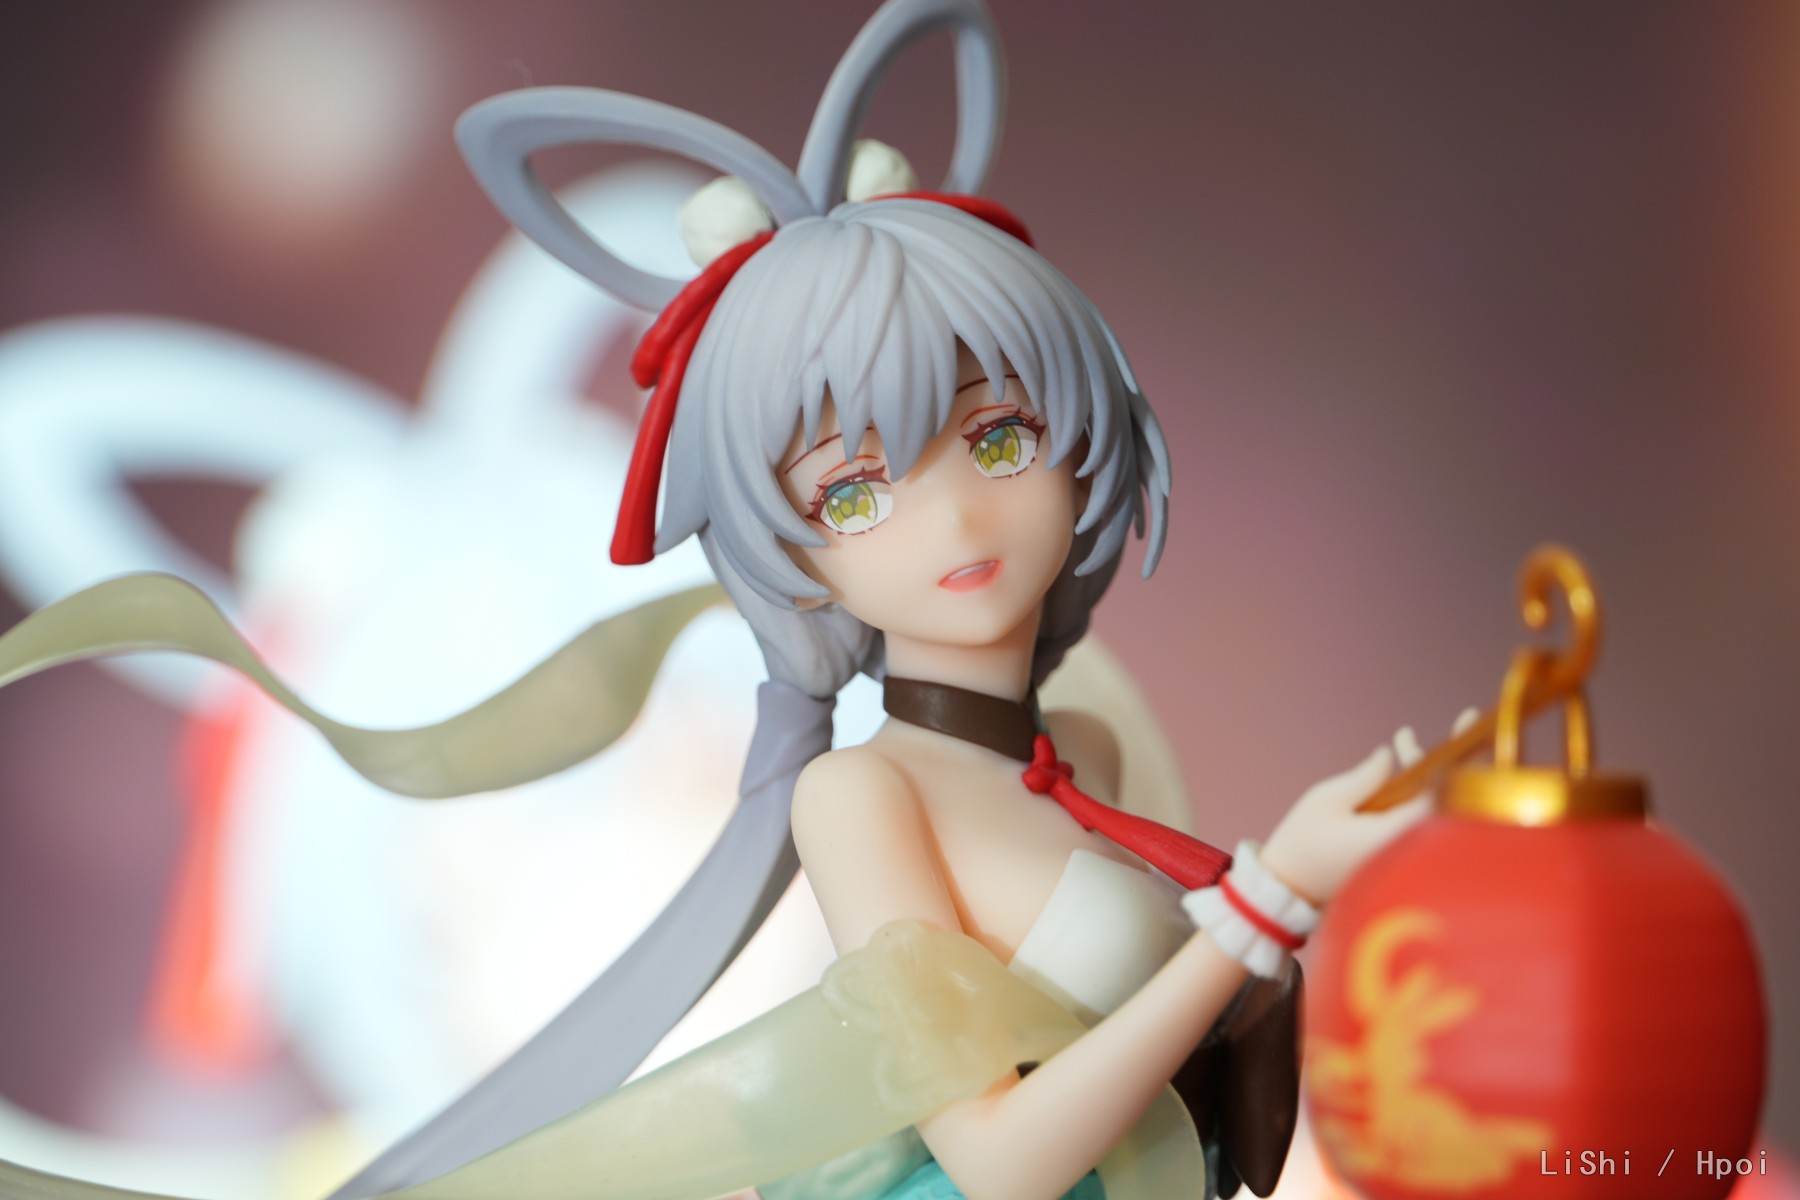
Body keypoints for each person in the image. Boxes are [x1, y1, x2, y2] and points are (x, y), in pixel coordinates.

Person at [0, 1, 1442, 1197]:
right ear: (789, 552)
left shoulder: (1090, 760)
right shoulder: (861, 801)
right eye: (853, 496)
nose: (953, 518)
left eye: (1000, 439)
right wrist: (1264, 903)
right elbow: (999, 1161)